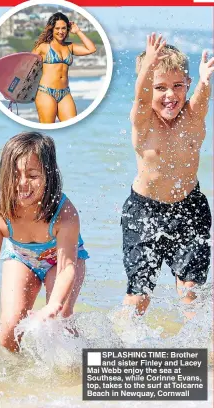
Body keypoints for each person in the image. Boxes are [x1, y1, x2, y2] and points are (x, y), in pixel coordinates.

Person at [0, 132, 89, 352]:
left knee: (59, 323)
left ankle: (78, 365)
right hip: (21, 259)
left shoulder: (64, 213)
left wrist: (53, 305)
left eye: (32, 175)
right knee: (9, 331)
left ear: (49, 175)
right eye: (15, 175)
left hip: (61, 263)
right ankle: (20, 377)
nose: (22, 183)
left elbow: (66, 267)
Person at [121, 33, 213, 317]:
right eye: (160, 88)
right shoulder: (143, 122)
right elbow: (140, 95)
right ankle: (125, 347)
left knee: (190, 293)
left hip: (190, 208)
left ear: (186, 84)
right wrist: (149, 64)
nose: (170, 95)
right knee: (140, 295)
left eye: (177, 86)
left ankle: (202, 355)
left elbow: (202, 95)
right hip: (143, 212)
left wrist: (204, 80)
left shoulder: (193, 118)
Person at [32, 12, 97, 123]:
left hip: (65, 93)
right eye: (57, 28)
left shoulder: (70, 46)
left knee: (73, 125)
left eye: (64, 28)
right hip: (45, 92)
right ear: (51, 29)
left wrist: (78, 31)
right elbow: (27, 67)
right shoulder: (42, 47)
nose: (61, 32)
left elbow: (91, 49)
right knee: (48, 128)